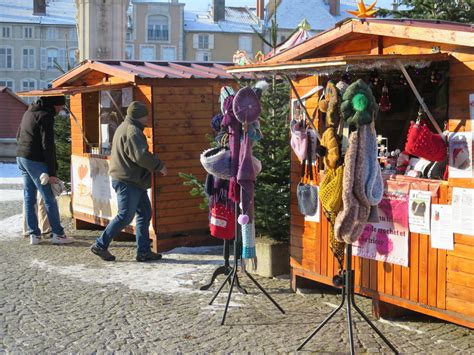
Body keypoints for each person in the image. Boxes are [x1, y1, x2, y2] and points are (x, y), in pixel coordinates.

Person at [90, 101, 167, 262]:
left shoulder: (124, 127)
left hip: (132, 180)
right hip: (128, 180)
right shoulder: (133, 132)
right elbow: (140, 156)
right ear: (140, 116)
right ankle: (100, 245)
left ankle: (143, 251)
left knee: (144, 213)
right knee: (125, 216)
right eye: (145, 115)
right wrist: (158, 166)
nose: (147, 118)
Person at [16, 95, 74, 245]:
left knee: (29, 197)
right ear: (55, 105)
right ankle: (58, 234)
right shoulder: (46, 116)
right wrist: (52, 172)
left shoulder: (29, 112)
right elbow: (47, 145)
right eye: (61, 107)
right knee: (49, 198)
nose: (61, 110)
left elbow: (18, 135)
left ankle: (34, 234)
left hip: (22, 157)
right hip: (35, 161)